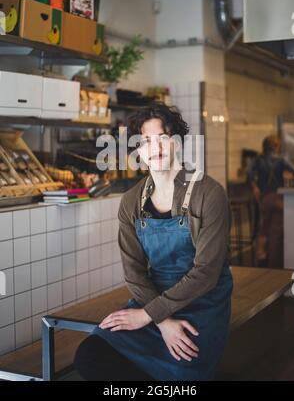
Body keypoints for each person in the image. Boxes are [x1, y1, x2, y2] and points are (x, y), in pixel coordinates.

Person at [74, 102, 233, 381]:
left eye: (163, 138)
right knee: (90, 355)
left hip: (202, 302)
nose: (155, 148)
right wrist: (160, 319)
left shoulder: (209, 194)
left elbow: (206, 273)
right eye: (146, 140)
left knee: (181, 372)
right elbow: (133, 271)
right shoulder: (132, 201)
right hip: (153, 297)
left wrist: (150, 316)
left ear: (177, 143)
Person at [247, 135, 294, 268]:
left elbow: (249, 173)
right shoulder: (281, 160)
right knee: (277, 228)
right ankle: (275, 261)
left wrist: (255, 186)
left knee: (265, 227)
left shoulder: (258, 159)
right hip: (277, 198)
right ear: (276, 146)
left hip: (264, 198)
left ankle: (261, 255)